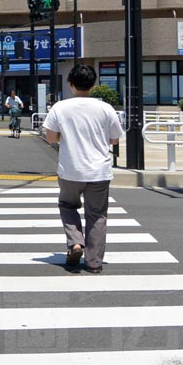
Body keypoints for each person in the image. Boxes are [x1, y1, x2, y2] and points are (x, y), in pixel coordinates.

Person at [41, 65, 124, 274]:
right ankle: (94, 262)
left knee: (67, 205)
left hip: (71, 169)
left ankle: (75, 243)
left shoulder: (60, 107)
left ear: (70, 84)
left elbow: (50, 138)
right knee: (97, 215)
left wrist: (67, 137)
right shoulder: (105, 108)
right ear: (93, 85)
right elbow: (115, 139)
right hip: (99, 171)